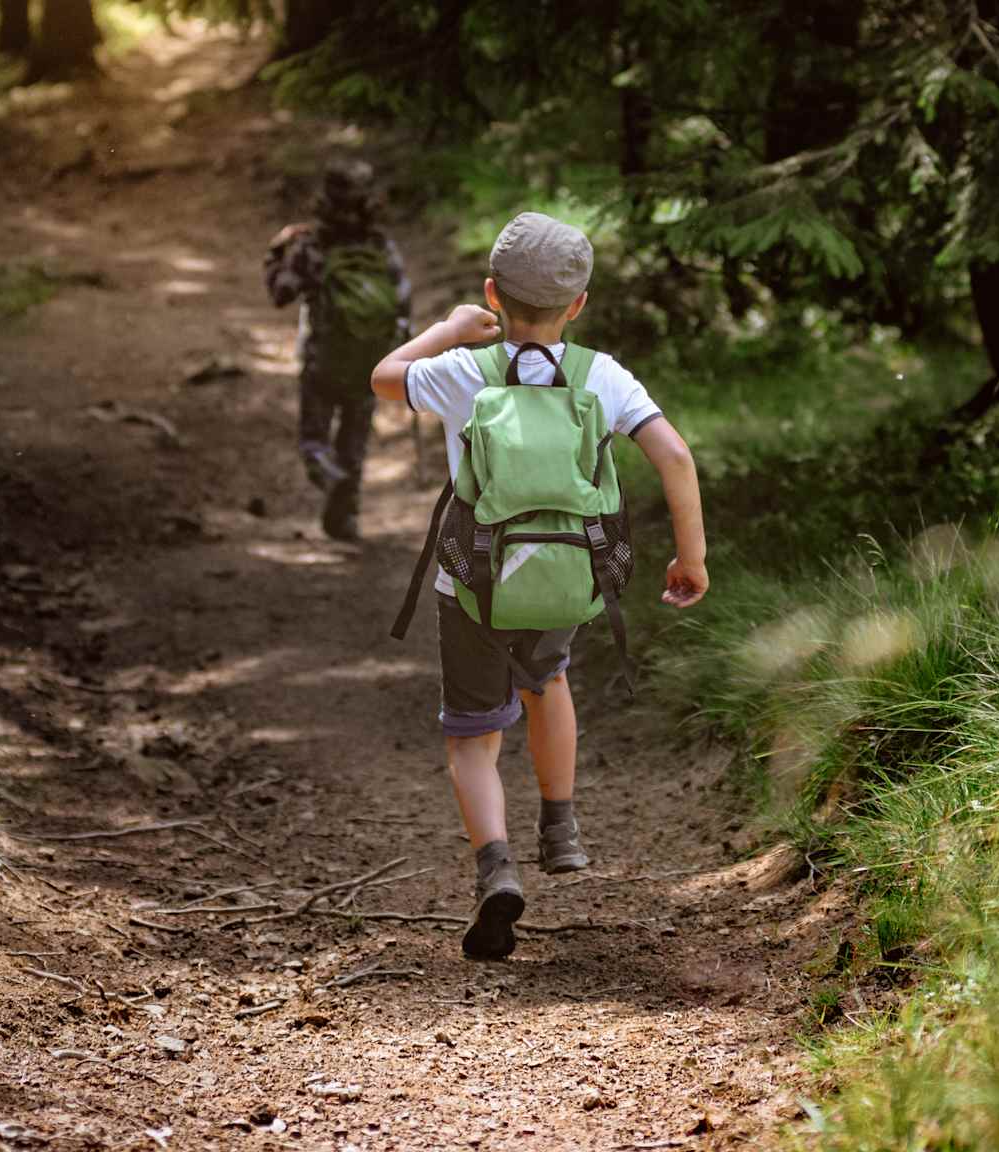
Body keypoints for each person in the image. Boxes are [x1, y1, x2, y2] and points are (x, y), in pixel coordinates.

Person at [370, 212, 710, 960]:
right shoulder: (601, 376)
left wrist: (449, 329)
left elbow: (384, 377)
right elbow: (675, 456)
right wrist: (692, 559)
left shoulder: (465, 371)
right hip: (565, 579)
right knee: (548, 680)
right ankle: (560, 825)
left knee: (473, 735)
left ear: (493, 294)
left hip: (474, 586)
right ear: (578, 305)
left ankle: (496, 867)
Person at [264, 161, 412, 541]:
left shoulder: (313, 247)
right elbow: (402, 302)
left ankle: (327, 472)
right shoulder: (381, 246)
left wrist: (276, 252)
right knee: (354, 439)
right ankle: (343, 518)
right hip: (370, 360)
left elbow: (281, 293)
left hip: (322, 358)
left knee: (314, 439)